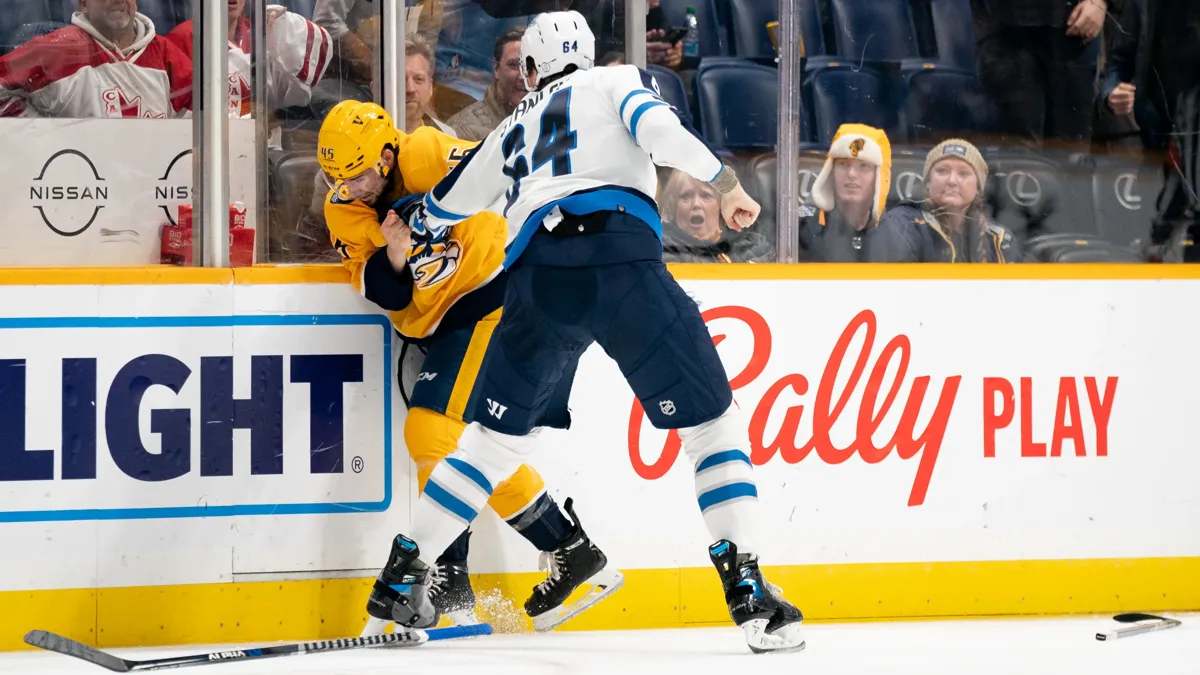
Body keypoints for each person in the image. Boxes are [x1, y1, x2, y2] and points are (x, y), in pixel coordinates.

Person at [382, 10, 805, 654]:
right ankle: (748, 591)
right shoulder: (614, 81)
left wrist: (413, 219)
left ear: (529, 70)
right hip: (618, 260)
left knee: (489, 443)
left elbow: (449, 202)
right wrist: (724, 181)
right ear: (593, 55)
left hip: (536, 283)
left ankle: (402, 572)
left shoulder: (515, 120)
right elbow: (660, 130)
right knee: (713, 427)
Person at [315, 100, 622, 633]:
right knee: (466, 445)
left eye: (360, 175)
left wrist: (439, 204)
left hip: (494, 296)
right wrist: (394, 250)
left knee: (431, 430)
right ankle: (569, 552)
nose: (353, 190)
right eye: (338, 180)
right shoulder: (344, 209)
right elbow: (386, 292)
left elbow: (504, 169)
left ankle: (446, 573)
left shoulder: (427, 151)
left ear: (388, 154)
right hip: (442, 327)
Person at [0, 0, 192, 118]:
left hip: (147, 179)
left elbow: (206, 112)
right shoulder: (56, 49)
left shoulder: (165, 53)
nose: (118, 0)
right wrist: (42, 133)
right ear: (84, 3)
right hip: (81, 180)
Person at [167, 0, 332, 117]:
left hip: (264, 151)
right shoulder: (184, 38)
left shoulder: (263, 33)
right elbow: (183, 113)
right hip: (213, 153)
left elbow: (292, 91)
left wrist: (280, 34)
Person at [873, 139, 1021, 263]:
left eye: (964, 173)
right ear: (928, 183)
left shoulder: (1000, 240)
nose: (952, 181)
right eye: (942, 171)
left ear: (978, 188)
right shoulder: (900, 226)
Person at [799, 123, 891, 262]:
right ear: (830, 172)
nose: (852, 174)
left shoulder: (898, 234)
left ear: (879, 178)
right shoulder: (801, 229)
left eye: (863, 166)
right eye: (843, 164)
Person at [658, 169, 775, 263]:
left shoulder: (752, 246)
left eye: (706, 196)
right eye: (685, 196)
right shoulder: (662, 248)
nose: (696, 204)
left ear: (723, 206)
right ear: (674, 206)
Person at [447, 27, 528, 142]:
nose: (522, 75)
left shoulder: (552, 121)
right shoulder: (463, 132)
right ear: (496, 68)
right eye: (513, 65)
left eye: (530, 64)